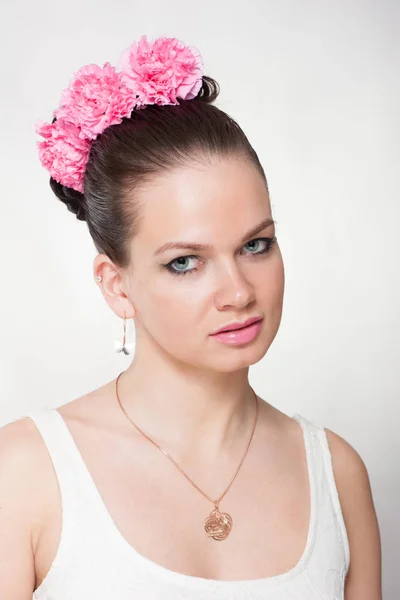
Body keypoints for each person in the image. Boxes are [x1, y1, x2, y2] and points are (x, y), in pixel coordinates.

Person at [0, 35, 381, 599]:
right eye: (185, 262)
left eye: (256, 246)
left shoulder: (336, 474)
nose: (237, 293)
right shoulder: (24, 474)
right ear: (117, 284)